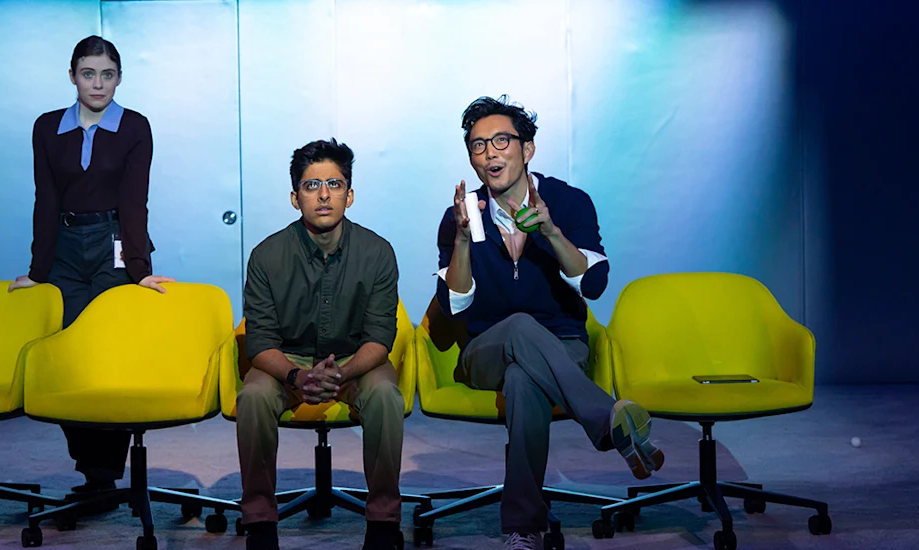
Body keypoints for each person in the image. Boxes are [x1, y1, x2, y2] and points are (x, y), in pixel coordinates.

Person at [435, 96, 665, 549]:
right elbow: (452, 306)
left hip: (563, 345)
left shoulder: (567, 202)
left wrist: (551, 233)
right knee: (520, 327)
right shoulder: (464, 215)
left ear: (528, 149)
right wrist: (461, 241)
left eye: (501, 141)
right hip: (485, 349)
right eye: (478, 145)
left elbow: (593, 284)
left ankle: (523, 529)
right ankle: (608, 419)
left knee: (524, 381)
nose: (490, 153)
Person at [8, 35, 174, 498]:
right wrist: (38, 271)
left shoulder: (134, 126)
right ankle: (91, 469)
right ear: (72, 76)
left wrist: (139, 269)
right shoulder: (47, 127)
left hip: (112, 243)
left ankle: (105, 472)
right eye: (88, 74)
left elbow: (134, 201)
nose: (98, 84)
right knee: (68, 357)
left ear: (119, 78)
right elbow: (45, 199)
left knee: (106, 355)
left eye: (107, 74)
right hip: (64, 248)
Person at [238, 138, 405, 550]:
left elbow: (380, 338)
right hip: (288, 361)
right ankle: (260, 522)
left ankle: (383, 522)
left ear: (350, 194)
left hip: (355, 361)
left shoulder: (378, 252)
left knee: (385, 394)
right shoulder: (266, 256)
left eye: (334, 184)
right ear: (295, 198)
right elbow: (259, 342)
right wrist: (298, 376)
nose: (324, 195)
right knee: (254, 395)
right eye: (312, 186)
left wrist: (342, 374)